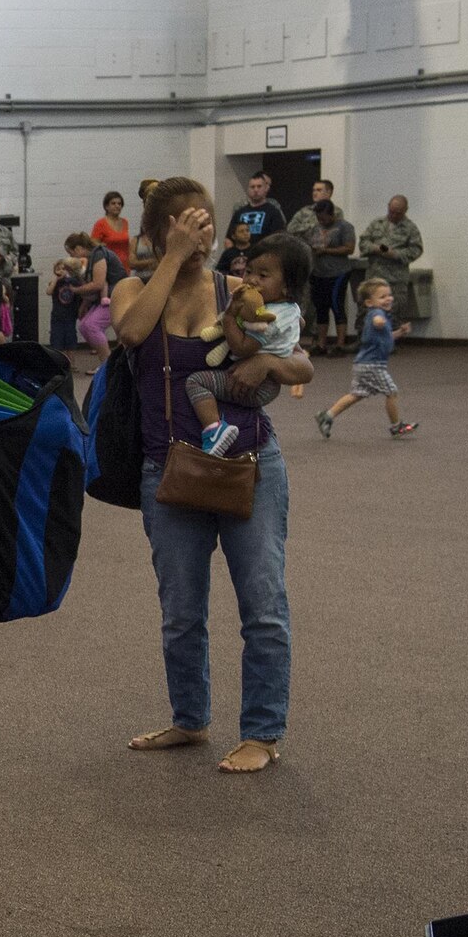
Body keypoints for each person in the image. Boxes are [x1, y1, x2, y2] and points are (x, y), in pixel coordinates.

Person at [111, 177, 312, 776]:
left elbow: (300, 360)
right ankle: (190, 718)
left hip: (249, 465)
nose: (203, 242)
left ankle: (263, 732)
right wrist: (171, 257)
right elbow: (130, 333)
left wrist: (269, 362)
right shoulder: (132, 288)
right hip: (167, 469)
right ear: (160, 231)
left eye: (207, 229)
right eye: (188, 229)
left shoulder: (238, 289)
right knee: (180, 610)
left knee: (264, 604)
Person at [183, 233, 309, 456]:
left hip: (258, 386)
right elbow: (298, 323)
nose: (251, 280)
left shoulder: (267, 319)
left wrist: (230, 318)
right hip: (264, 385)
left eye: (263, 275)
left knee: (196, 382)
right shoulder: (287, 309)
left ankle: (214, 430)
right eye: (248, 271)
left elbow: (241, 348)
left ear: (287, 287)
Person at [316, 278, 417, 440]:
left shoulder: (380, 314)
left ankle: (327, 416)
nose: (388, 299)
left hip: (362, 364)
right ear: (370, 302)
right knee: (391, 392)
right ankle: (396, 426)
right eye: (382, 297)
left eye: (389, 295)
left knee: (356, 394)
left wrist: (400, 332)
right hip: (373, 366)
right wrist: (380, 321)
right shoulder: (376, 314)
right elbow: (377, 322)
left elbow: (387, 336)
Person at [64, 230, 128, 368]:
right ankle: (105, 362)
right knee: (84, 325)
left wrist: (76, 290)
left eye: (71, 253)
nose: (72, 257)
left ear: (79, 249)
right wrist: (83, 306)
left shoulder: (99, 254)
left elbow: (98, 283)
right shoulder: (91, 259)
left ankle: (108, 364)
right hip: (106, 297)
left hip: (118, 296)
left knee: (92, 326)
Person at [302, 200, 358, 356]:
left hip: (338, 273)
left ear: (331, 214)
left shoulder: (345, 227)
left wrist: (326, 250)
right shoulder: (315, 229)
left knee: (336, 305)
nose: (321, 221)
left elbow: (349, 248)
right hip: (319, 273)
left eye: (324, 218)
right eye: (319, 218)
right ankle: (321, 344)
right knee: (321, 308)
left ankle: (340, 345)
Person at [359, 195, 424, 319]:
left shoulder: (411, 228)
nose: (393, 215)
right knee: (366, 316)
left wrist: (395, 254)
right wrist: (376, 248)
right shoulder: (376, 223)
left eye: (398, 213)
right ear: (388, 207)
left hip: (395, 281)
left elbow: (416, 250)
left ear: (405, 210)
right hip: (374, 278)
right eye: (391, 211)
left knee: (394, 317)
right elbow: (363, 242)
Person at [227, 171, 287, 243]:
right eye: (252, 187)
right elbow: (229, 239)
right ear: (248, 190)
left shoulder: (274, 212)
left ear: (266, 189)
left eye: (259, 186)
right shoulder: (239, 212)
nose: (256, 190)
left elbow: (279, 238)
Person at [284, 179, 342, 243]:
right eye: (314, 190)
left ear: (329, 192)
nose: (314, 193)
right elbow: (290, 229)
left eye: (319, 190)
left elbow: (334, 233)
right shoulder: (305, 210)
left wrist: (303, 229)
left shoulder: (336, 212)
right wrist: (311, 225)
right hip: (303, 247)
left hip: (325, 249)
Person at [48, 256, 84, 351]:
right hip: (57, 316)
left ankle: (71, 363)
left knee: (70, 339)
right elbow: (49, 291)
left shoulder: (73, 281)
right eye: (58, 269)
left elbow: (82, 290)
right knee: (56, 340)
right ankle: (59, 362)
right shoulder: (55, 283)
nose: (61, 271)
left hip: (70, 316)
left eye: (63, 269)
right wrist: (55, 279)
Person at [91, 191, 132, 266]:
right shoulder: (100, 223)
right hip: (109, 265)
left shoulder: (125, 222)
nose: (117, 206)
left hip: (124, 265)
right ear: (106, 206)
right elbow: (93, 244)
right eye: (113, 203)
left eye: (119, 204)